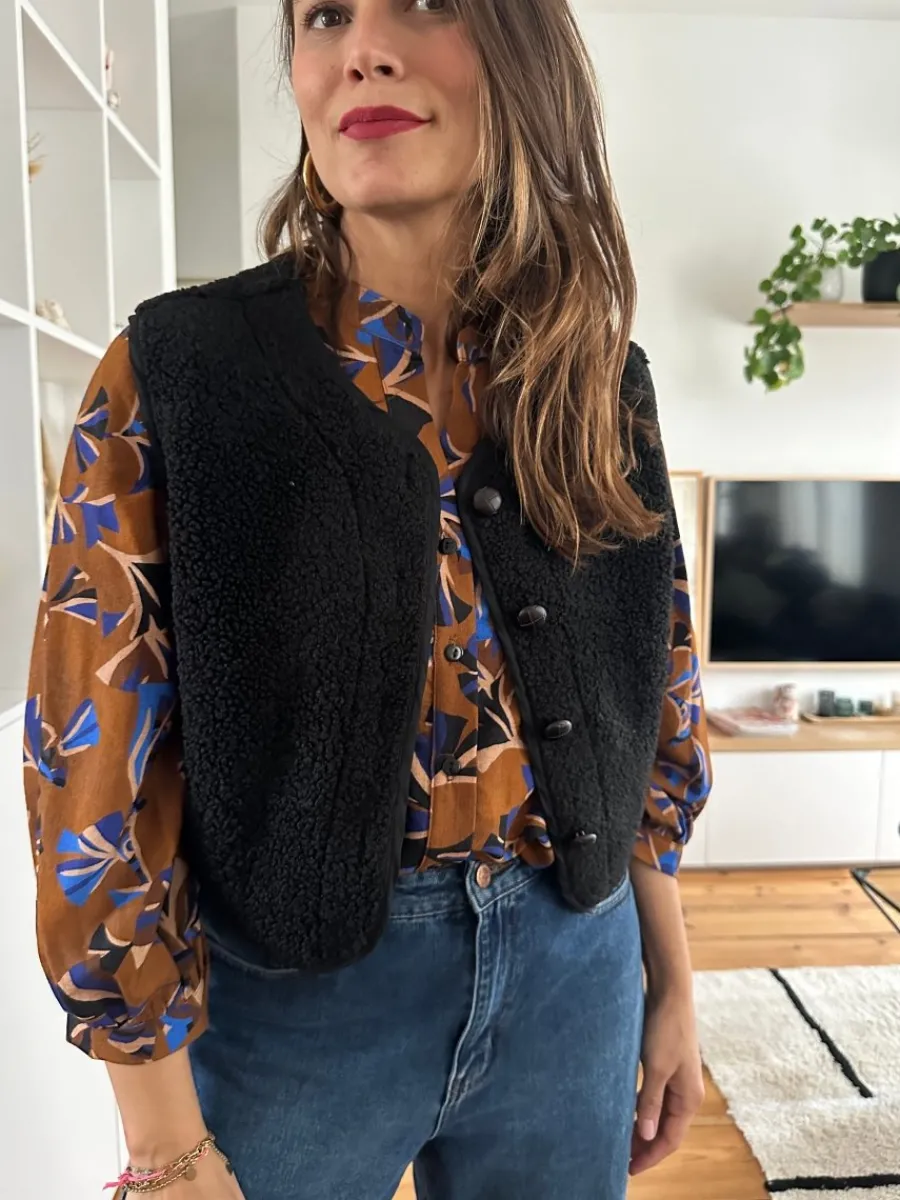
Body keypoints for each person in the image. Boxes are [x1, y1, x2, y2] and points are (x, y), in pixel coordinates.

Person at [22, 1, 712, 1197]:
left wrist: (674, 984)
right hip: (297, 1012)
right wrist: (164, 1142)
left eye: (426, 4)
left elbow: (651, 687)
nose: (364, 51)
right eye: (325, 16)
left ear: (522, 52)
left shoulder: (597, 376)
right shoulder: (179, 372)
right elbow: (95, 758)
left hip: (576, 966)